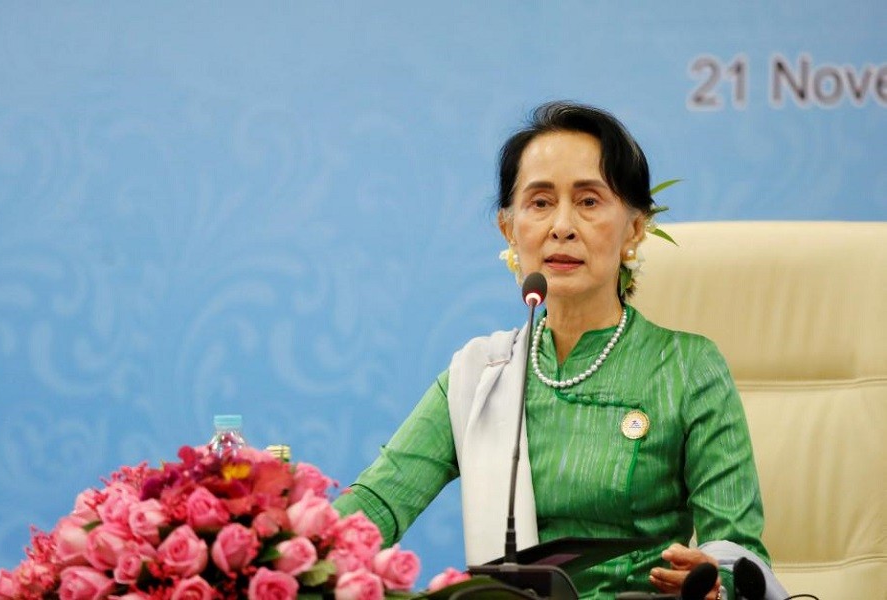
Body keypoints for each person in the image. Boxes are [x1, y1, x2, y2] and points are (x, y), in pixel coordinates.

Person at [333, 102, 779, 600]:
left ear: (635, 228)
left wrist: (713, 578)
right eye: (540, 202)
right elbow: (378, 505)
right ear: (509, 227)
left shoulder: (688, 367)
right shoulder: (484, 374)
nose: (562, 225)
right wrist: (279, 543)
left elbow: (738, 551)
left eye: (589, 201)